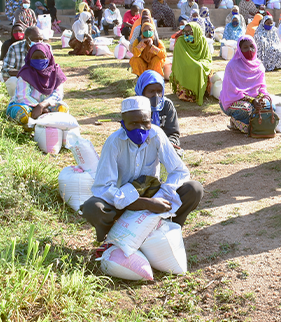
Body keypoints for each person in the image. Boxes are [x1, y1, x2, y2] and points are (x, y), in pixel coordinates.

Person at [81, 96, 203, 244]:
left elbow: (179, 171)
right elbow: (103, 188)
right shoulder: (114, 142)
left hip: (153, 192)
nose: (141, 129)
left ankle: (169, 229)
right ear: (123, 124)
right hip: (121, 199)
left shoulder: (156, 135)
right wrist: (145, 204)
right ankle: (113, 238)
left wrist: (162, 195)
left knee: (194, 189)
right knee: (92, 207)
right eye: (133, 123)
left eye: (145, 123)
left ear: (151, 121)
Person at [6, 43, 68, 128]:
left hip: (47, 106)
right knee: (21, 112)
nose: (39, 60)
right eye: (35, 58)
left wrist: (42, 106)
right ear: (30, 58)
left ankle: (39, 121)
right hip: (27, 105)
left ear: (48, 57)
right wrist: (37, 107)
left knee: (62, 107)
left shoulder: (56, 72)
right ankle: (30, 123)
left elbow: (58, 94)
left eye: (42, 57)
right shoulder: (25, 73)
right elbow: (22, 96)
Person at [219, 35, 272, 133]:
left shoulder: (259, 66)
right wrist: (252, 100)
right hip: (233, 100)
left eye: (251, 46)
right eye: (245, 47)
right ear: (239, 50)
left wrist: (261, 98)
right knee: (247, 109)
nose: (249, 50)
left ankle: (250, 123)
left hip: (255, 100)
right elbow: (232, 91)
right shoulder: (232, 66)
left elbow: (262, 87)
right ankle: (235, 121)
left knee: (269, 105)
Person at [135, 70, 182, 153]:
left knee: (177, 155)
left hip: (163, 146)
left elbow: (173, 133)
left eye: (159, 91)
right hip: (140, 147)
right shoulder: (134, 107)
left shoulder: (166, 105)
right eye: (151, 91)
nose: (156, 95)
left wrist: (170, 143)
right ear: (142, 91)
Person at [170, 22, 212, 104]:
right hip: (185, 65)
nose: (186, 34)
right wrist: (194, 64)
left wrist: (200, 63)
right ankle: (187, 94)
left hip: (199, 63)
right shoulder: (180, 42)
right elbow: (181, 60)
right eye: (185, 32)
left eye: (189, 32)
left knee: (199, 68)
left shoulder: (202, 41)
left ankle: (200, 92)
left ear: (196, 32)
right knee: (195, 67)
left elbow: (207, 58)